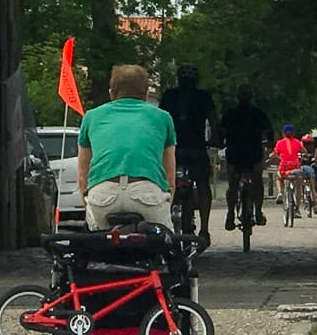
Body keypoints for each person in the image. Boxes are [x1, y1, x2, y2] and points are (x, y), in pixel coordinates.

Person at [77, 63, 177, 228]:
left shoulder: (91, 117)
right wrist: (165, 203)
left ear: (111, 93)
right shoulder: (162, 118)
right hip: (146, 193)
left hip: (103, 196)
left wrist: (89, 206)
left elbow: (83, 176)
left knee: (96, 244)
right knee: (165, 243)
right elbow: (170, 177)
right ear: (145, 94)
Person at [159, 64, 217, 241]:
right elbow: (214, 121)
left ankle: (164, 223)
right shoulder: (203, 97)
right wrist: (215, 139)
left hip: (173, 149)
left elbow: (159, 119)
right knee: (202, 185)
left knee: (165, 184)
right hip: (196, 148)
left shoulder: (170, 95)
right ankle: (204, 229)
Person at [218, 86, 273, 230]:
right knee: (257, 182)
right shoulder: (258, 113)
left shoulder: (230, 114)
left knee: (232, 185)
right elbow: (269, 131)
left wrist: (219, 142)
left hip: (234, 153)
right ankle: (258, 212)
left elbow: (221, 132)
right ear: (252, 97)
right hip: (254, 153)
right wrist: (270, 142)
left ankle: (230, 214)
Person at [274, 124, 305, 212]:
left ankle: (280, 192)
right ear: (293, 133)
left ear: (283, 133)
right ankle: (297, 208)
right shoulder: (297, 142)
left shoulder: (279, 143)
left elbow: (275, 153)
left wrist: (270, 157)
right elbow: (304, 152)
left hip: (284, 167)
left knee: (279, 178)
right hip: (295, 167)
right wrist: (305, 155)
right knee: (298, 187)